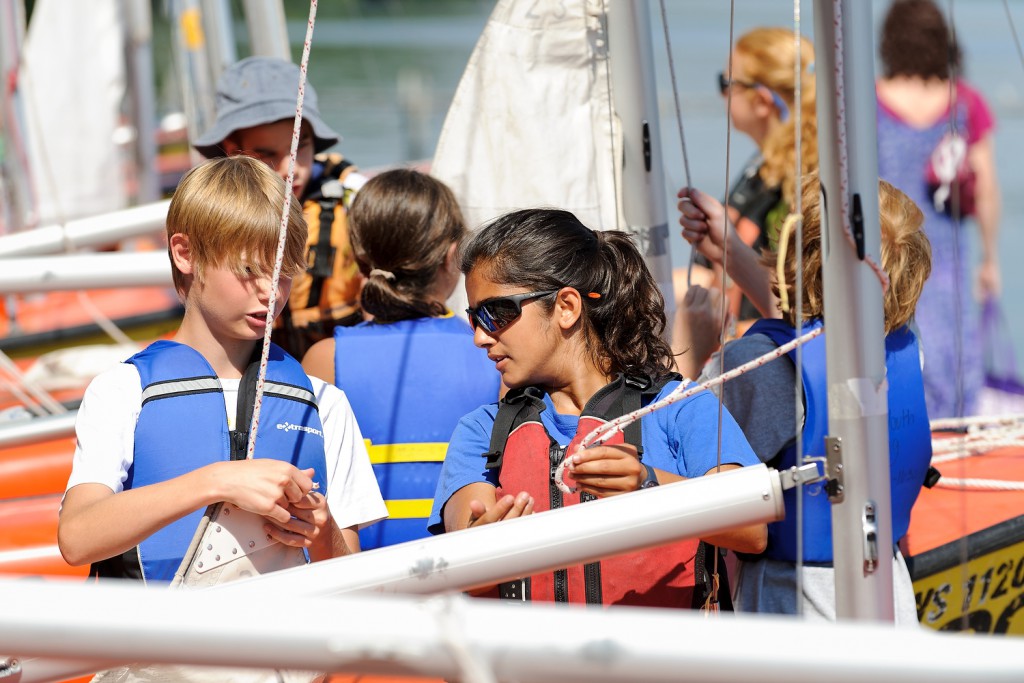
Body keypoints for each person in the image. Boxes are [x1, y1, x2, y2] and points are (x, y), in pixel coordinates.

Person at [58, 156, 387, 583]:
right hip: (157, 647)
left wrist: (322, 534)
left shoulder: (324, 403)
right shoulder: (122, 391)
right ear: (185, 253)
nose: (271, 291)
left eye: (284, 273)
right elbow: (77, 537)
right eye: (250, 269)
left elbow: (352, 580)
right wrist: (217, 481)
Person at [428, 208, 767, 609]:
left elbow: (753, 528)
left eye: (496, 313)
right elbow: (463, 526)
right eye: (473, 318)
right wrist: (480, 537)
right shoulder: (483, 430)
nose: (480, 338)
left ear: (567, 307)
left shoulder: (679, 409)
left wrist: (648, 483)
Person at [679, 172, 933, 622]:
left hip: (795, 613)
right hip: (888, 598)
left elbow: (670, 439)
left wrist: (689, 348)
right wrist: (734, 253)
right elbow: (820, 336)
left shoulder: (758, 367)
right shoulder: (901, 346)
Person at [302, 169, 500, 550]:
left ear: (358, 259)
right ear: (451, 256)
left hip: (364, 577)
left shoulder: (325, 358)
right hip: (468, 569)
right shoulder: (494, 351)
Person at [193, 56, 369, 359]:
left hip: (338, 366)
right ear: (234, 150)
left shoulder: (354, 201)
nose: (291, 168)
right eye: (268, 154)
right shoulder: (211, 211)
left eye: (301, 147)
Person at [875, 0, 1000, 418]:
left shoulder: (869, 99)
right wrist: (990, 258)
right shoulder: (964, 102)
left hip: (886, 247)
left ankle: (903, 430)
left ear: (890, 42)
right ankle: (955, 432)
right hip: (945, 252)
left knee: (892, 343)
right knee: (955, 348)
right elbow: (986, 189)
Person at [672, 27, 818, 379]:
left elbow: (799, 300)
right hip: (743, 348)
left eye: (727, 82)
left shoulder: (799, 184)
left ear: (761, 100)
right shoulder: (763, 167)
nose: (722, 94)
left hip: (765, 362)